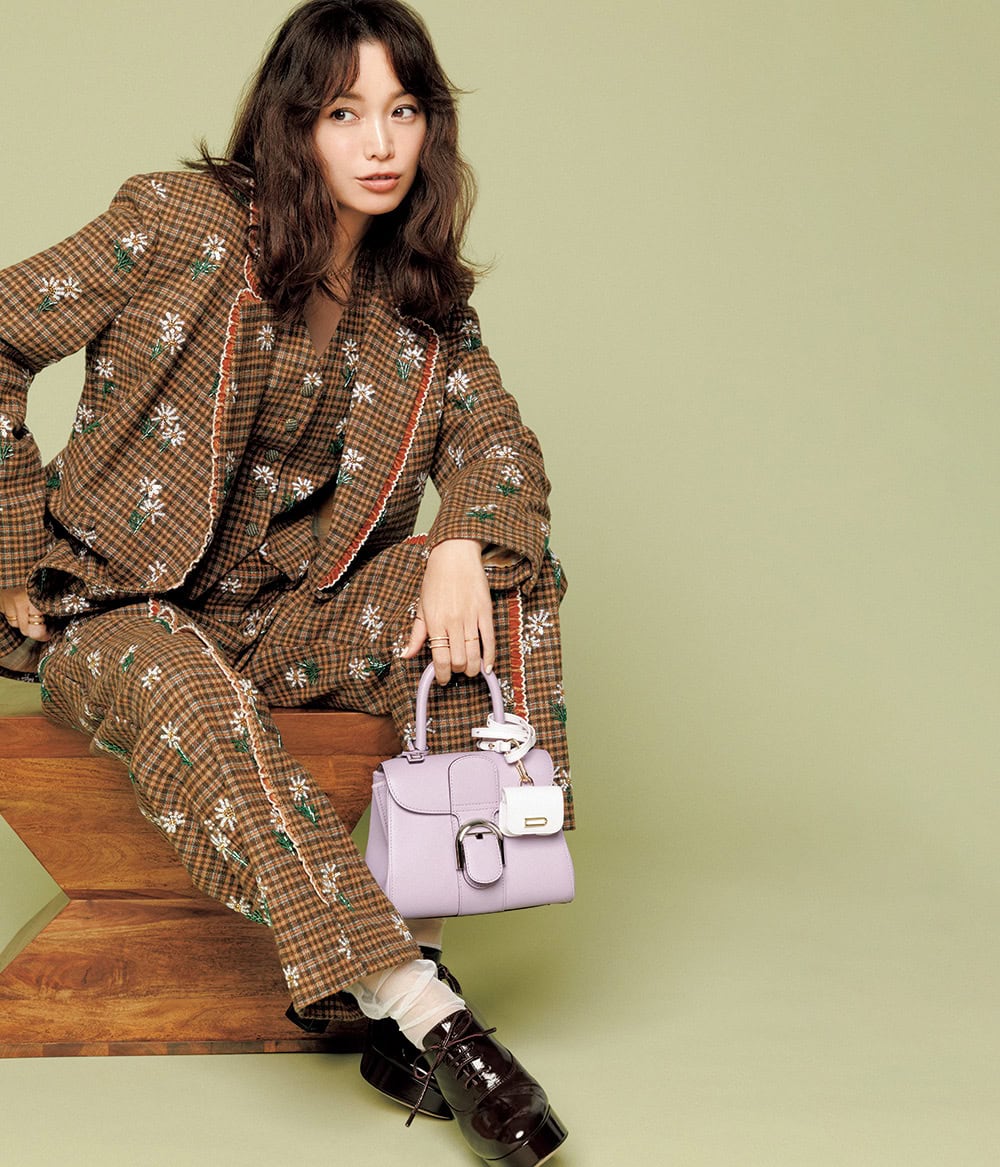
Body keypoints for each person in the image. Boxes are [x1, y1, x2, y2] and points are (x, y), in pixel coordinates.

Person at [0, 1, 571, 1163]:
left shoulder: (424, 301)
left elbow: (498, 448)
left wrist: (458, 545)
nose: (379, 143)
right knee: (191, 689)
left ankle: (413, 940)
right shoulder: (177, 222)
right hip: (118, 610)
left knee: (503, 587)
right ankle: (426, 1012)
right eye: (344, 113)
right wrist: (8, 549)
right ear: (291, 122)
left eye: (403, 111)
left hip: (290, 618)